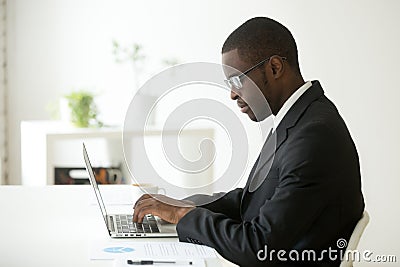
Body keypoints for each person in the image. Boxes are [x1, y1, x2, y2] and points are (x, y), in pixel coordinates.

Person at [133, 17, 365, 266]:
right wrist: (186, 204)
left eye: (237, 80)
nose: (232, 94)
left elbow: (258, 246)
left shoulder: (314, 137)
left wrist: (183, 216)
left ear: (274, 68)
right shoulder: (300, 118)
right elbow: (254, 200)